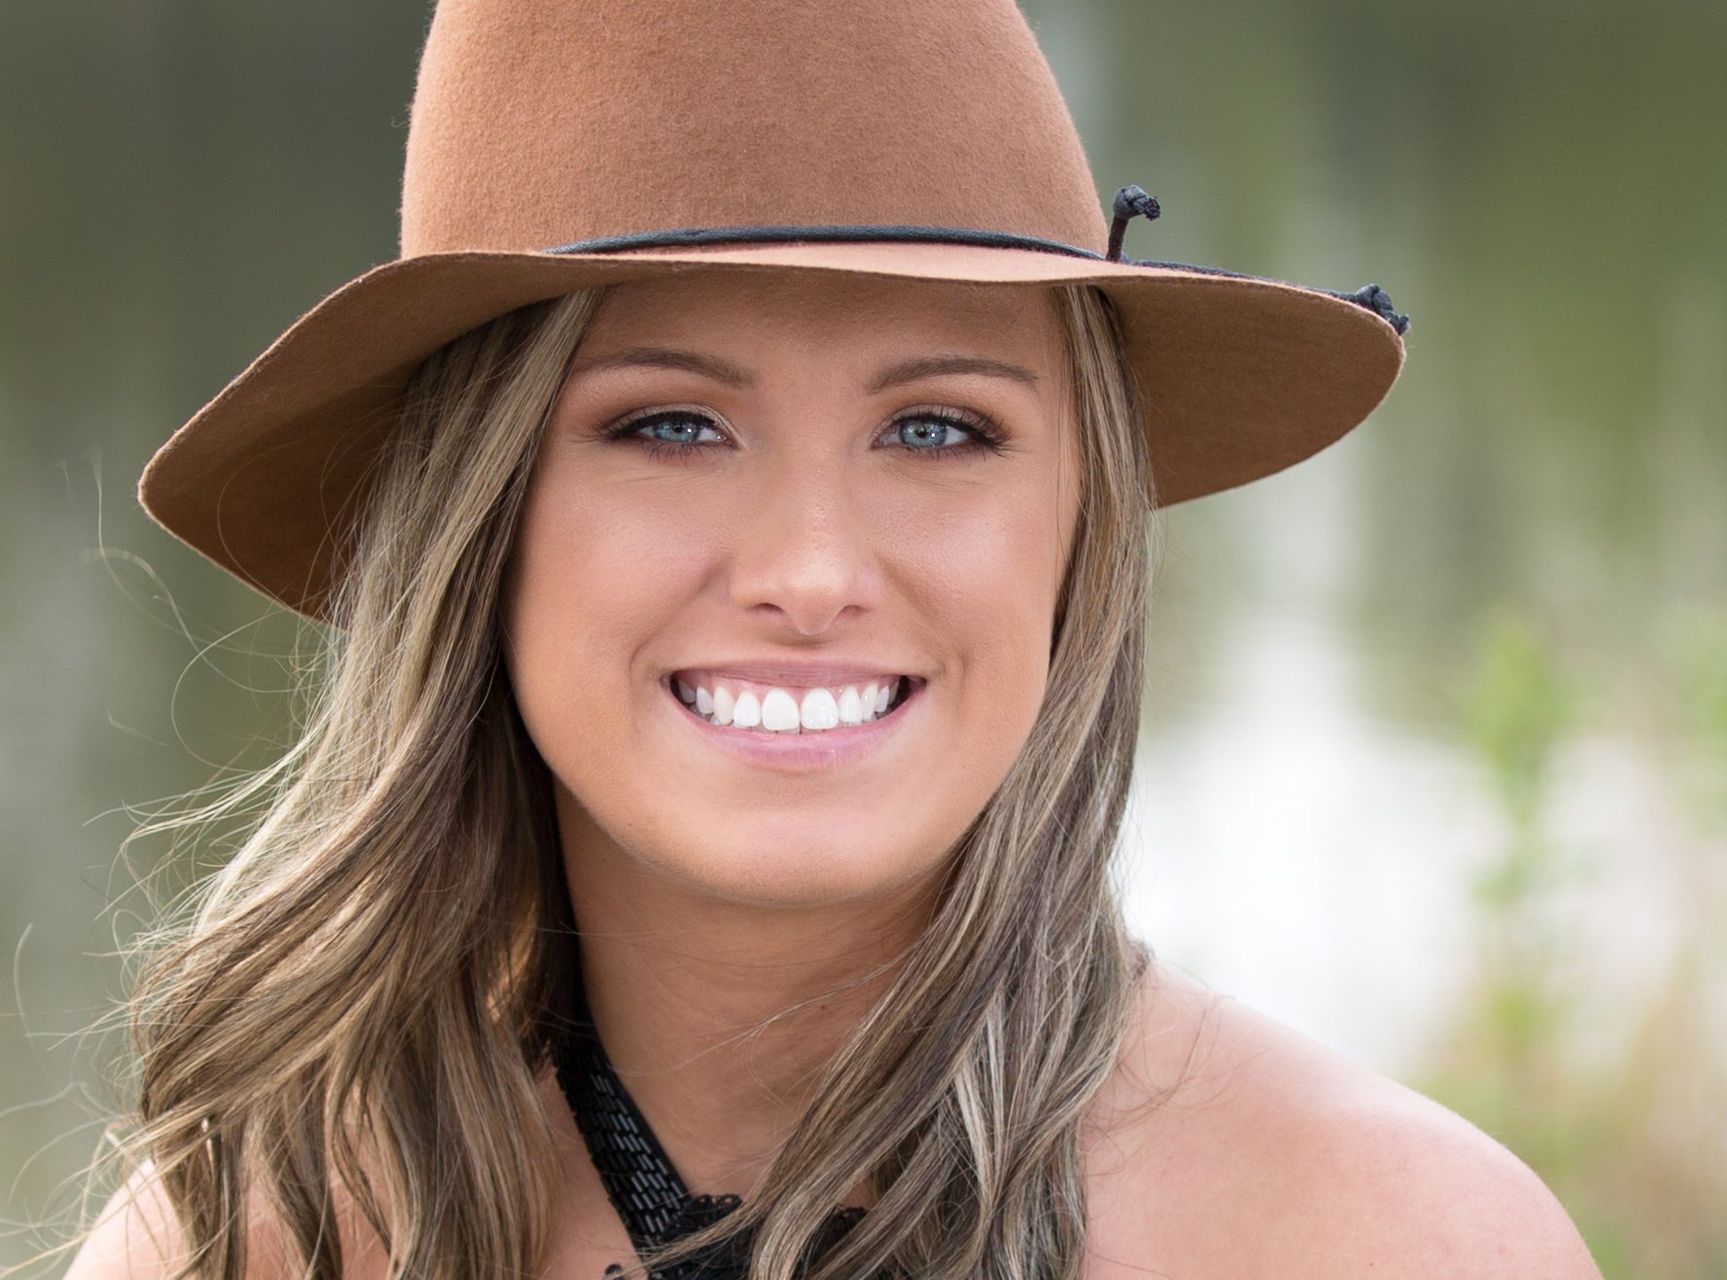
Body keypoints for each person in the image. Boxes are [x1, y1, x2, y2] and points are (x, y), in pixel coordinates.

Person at [59, 1, 1601, 1277]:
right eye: (670, 425)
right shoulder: (239, 1235)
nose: (809, 570)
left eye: (937, 428)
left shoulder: (1386, 1242)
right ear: (481, 525)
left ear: (1081, 526)